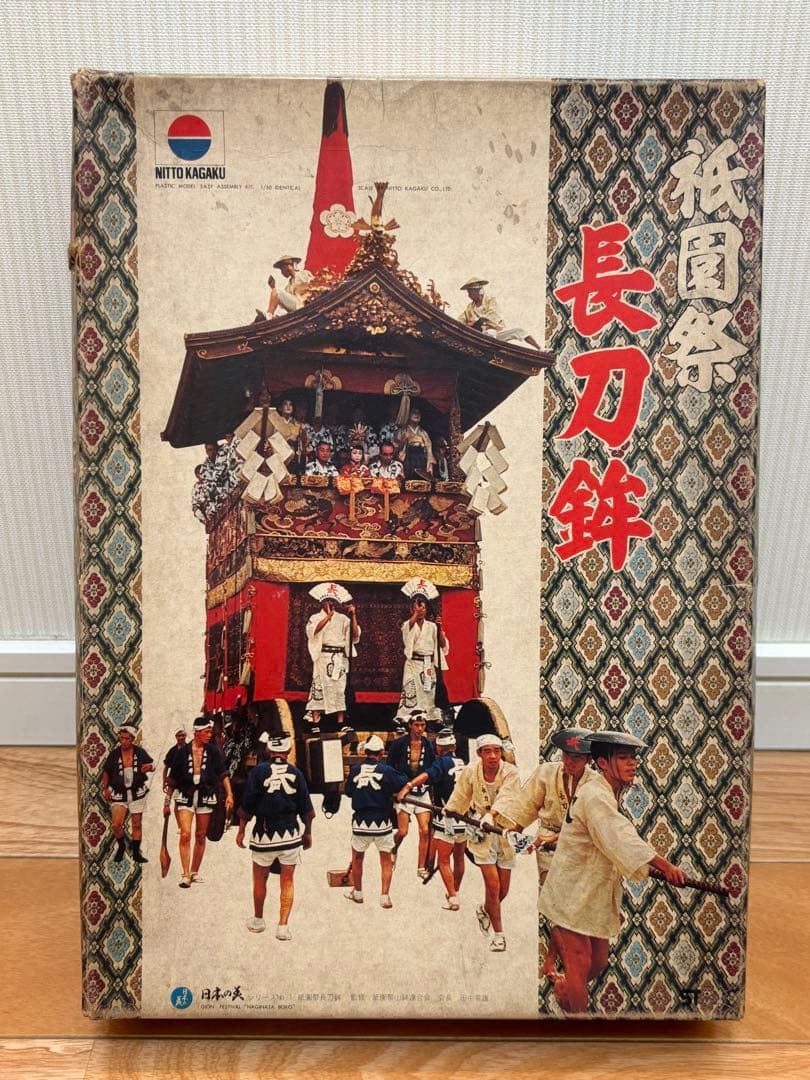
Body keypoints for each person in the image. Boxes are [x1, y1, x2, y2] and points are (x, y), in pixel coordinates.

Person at [538, 731, 688, 1014]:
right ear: (603, 763)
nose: (632, 764)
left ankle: (564, 989)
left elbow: (611, 843)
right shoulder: (595, 795)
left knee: (598, 962)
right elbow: (620, 837)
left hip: (589, 890)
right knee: (580, 961)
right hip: (570, 890)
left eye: (633, 758)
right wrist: (665, 866)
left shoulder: (604, 791)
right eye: (623, 758)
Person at [444, 733, 522, 952]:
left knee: (502, 891)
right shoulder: (471, 771)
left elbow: (507, 797)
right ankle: (499, 935)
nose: (493, 756)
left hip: (504, 830)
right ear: (479, 753)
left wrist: (493, 814)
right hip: (481, 833)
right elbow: (460, 795)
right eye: (487, 752)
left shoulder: (511, 772)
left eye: (496, 751)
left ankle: (485, 910)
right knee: (493, 886)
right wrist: (450, 812)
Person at [236, 732, 315, 940]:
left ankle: (258, 920)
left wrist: (241, 830)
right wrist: (307, 832)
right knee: (287, 881)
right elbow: (306, 808)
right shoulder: (296, 773)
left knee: (260, 879)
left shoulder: (258, 772)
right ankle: (283, 926)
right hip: (290, 835)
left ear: (269, 749)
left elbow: (248, 803)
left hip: (263, 834)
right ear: (288, 750)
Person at [493, 727, 593, 886]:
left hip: (580, 845)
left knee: (578, 894)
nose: (570, 761)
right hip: (548, 844)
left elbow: (592, 826)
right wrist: (515, 831)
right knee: (550, 890)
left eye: (577, 757)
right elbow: (527, 805)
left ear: (588, 759)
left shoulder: (595, 784)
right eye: (567, 755)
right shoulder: (546, 772)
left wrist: (554, 838)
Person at [397, 728, 467, 908]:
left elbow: (426, 776)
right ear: (454, 747)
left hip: (447, 817)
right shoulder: (463, 764)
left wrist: (408, 786)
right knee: (459, 858)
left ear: (439, 749)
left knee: (443, 861)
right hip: (465, 818)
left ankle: (453, 897)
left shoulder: (442, 763)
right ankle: (455, 890)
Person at [165, 715, 234, 888]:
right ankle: (185, 874)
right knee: (185, 834)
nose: (210, 735)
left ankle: (194, 872)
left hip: (205, 795)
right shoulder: (182, 753)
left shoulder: (213, 752)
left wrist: (230, 794)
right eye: (207, 732)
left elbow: (223, 774)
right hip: (185, 795)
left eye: (210, 732)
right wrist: (166, 803)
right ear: (197, 732)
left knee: (201, 835)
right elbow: (172, 779)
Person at [344, 735, 409, 908]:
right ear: (381, 753)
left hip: (360, 822)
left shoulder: (355, 770)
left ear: (365, 751)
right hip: (382, 822)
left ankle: (358, 893)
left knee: (357, 858)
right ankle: (384, 896)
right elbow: (403, 780)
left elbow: (349, 791)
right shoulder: (387, 771)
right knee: (386, 860)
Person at [387, 710, 436, 880]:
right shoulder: (399, 744)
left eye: (422, 725)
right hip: (404, 792)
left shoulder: (427, 744)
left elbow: (432, 767)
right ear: (410, 726)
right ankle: (394, 849)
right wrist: (396, 787)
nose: (420, 729)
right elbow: (390, 766)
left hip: (422, 791)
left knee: (424, 830)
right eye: (416, 725)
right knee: (402, 831)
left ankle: (421, 867)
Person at [304, 588, 361, 729]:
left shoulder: (343, 619)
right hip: (323, 656)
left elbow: (354, 635)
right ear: (322, 602)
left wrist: (353, 615)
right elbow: (312, 632)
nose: (331, 603)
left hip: (338, 657)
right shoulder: (315, 617)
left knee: (339, 688)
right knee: (319, 685)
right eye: (328, 600)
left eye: (333, 601)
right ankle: (315, 721)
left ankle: (340, 722)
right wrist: (328, 617)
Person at [100, 724, 154, 864]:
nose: (123, 741)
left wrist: (149, 766)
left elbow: (152, 764)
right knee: (116, 824)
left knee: (136, 824)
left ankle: (136, 853)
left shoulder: (139, 752)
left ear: (132, 739)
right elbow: (106, 771)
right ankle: (122, 846)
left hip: (137, 792)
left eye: (126, 738)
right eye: (121, 738)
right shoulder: (114, 754)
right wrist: (106, 788)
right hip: (119, 792)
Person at [398, 588, 449, 723]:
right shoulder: (407, 624)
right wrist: (416, 613)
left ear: (426, 610)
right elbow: (407, 629)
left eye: (423, 608)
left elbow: (443, 644)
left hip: (427, 663)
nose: (421, 611)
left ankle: (431, 717)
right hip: (413, 663)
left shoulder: (432, 626)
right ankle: (406, 718)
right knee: (411, 689)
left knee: (429, 691)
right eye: (417, 608)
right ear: (412, 610)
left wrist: (439, 627)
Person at [459, 278, 541, 350]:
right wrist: (470, 324)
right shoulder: (470, 307)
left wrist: (477, 321)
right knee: (486, 332)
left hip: (495, 331)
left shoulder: (490, 300)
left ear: (479, 291)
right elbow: (461, 319)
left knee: (519, 331)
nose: (469, 295)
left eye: (471, 292)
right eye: (468, 293)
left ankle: (539, 348)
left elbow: (493, 316)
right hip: (479, 334)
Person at [396, 407, 435, 479]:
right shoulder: (402, 431)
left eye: (418, 413)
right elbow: (397, 448)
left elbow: (429, 448)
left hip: (421, 459)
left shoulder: (423, 432)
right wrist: (403, 440)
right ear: (408, 415)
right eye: (414, 412)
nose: (417, 415)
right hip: (408, 459)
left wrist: (430, 464)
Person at [162, 725, 188, 828]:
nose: (181, 737)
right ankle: (180, 826)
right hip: (174, 780)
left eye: (183, 735)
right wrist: (164, 780)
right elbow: (166, 767)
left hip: (186, 781)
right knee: (173, 801)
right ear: (176, 737)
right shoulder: (172, 751)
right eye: (179, 735)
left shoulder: (190, 749)